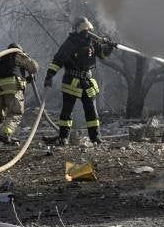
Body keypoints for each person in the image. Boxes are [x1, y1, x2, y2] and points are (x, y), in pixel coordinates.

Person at [44, 16, 116, 145]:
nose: (86, 32)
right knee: (67, 111)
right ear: (78, 30)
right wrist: (49, 76)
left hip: (87, 81)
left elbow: (102, 55)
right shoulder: (70, 42)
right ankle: (63, 137)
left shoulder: (93, 41)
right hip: (72, 80)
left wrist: (109, 47)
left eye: (88, 30)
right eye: (84, 30)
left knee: (91, 112)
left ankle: (95, 137)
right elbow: (58, 60)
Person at [0, 43, 38, 146]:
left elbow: (11, 75)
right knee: (15, 113)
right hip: (13, 88)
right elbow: (34, 68)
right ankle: (4, 133)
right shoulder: (18, 55)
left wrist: (27, 80)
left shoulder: (3, 58)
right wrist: (26, 56)